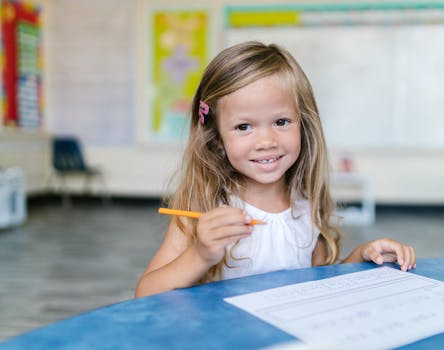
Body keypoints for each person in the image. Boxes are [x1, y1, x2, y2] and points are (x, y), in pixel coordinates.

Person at [135, 41, 416, 298]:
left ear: (303, 125)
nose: (266, 141)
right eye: (244, 127)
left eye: (281, 122)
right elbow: (145, 294)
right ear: (218, 139)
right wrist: (200, 254)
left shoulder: (306, 204)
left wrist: (362, 256)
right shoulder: (205, 205)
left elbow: (321, 279)